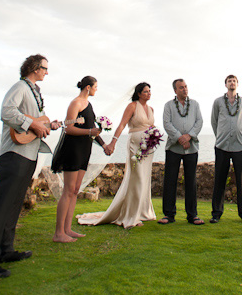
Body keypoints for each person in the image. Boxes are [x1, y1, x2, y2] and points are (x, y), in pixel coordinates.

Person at [0, 54, 59, 280]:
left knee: (13, 205)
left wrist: (46, 124)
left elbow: (34, 122)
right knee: (1, 207)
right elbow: (7, 112)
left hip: (29, 154)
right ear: (33, 67)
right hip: (13, 155)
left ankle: (6, 250)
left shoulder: (34, 91)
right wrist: (32, 123)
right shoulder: (20, 87)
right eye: (44, 68)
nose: (47, 72)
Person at [77, 82, 156, 229]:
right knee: (137, 177)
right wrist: (113, 142)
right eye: (145, 91)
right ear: (139, 93)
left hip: (148, 148)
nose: (149, 93)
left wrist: (154, 137)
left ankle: (143, 211)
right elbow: (122, 125)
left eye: (149, 91)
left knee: (145, 178)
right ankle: (131, 215)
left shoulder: (151, 109)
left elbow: (150, 127)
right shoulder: (132, 106)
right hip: (135, 146)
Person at [51, 76, 109, 243]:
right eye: (95, 87)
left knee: (76, 190)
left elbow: (92, 129)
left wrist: (103, 144)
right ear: (88, 87)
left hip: (85, 150)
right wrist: (89, 132)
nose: (97, 90)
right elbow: (68, 128)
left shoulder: (89, 105)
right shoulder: (76, 103)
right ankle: (58, 233)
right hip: (73, 149)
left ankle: (67, 229)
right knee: (68, 190)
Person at [158, 79, 204, 225]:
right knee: (170, 180)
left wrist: (188, 137)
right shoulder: (169, 106)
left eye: (185, 87)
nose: (185, 89)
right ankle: (168, 215)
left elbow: (199, 122)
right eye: (181, 88)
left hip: (191, 148)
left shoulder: (195, 104)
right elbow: (167, 123)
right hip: (173, 148)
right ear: (175, 90)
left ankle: (192, 215)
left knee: (191, 181)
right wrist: (180, 138)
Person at [210, 74, 242, 224]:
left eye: (234, 81)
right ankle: (216, 213)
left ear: (237, 84)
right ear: (225, 84)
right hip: (221, 145)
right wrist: (220, 136)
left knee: (241, 180)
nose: (232, 83)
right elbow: (214, 121)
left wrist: (239, 134)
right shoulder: (218, 102)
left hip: (239, 145)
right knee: (219, 179)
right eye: (229, 81)